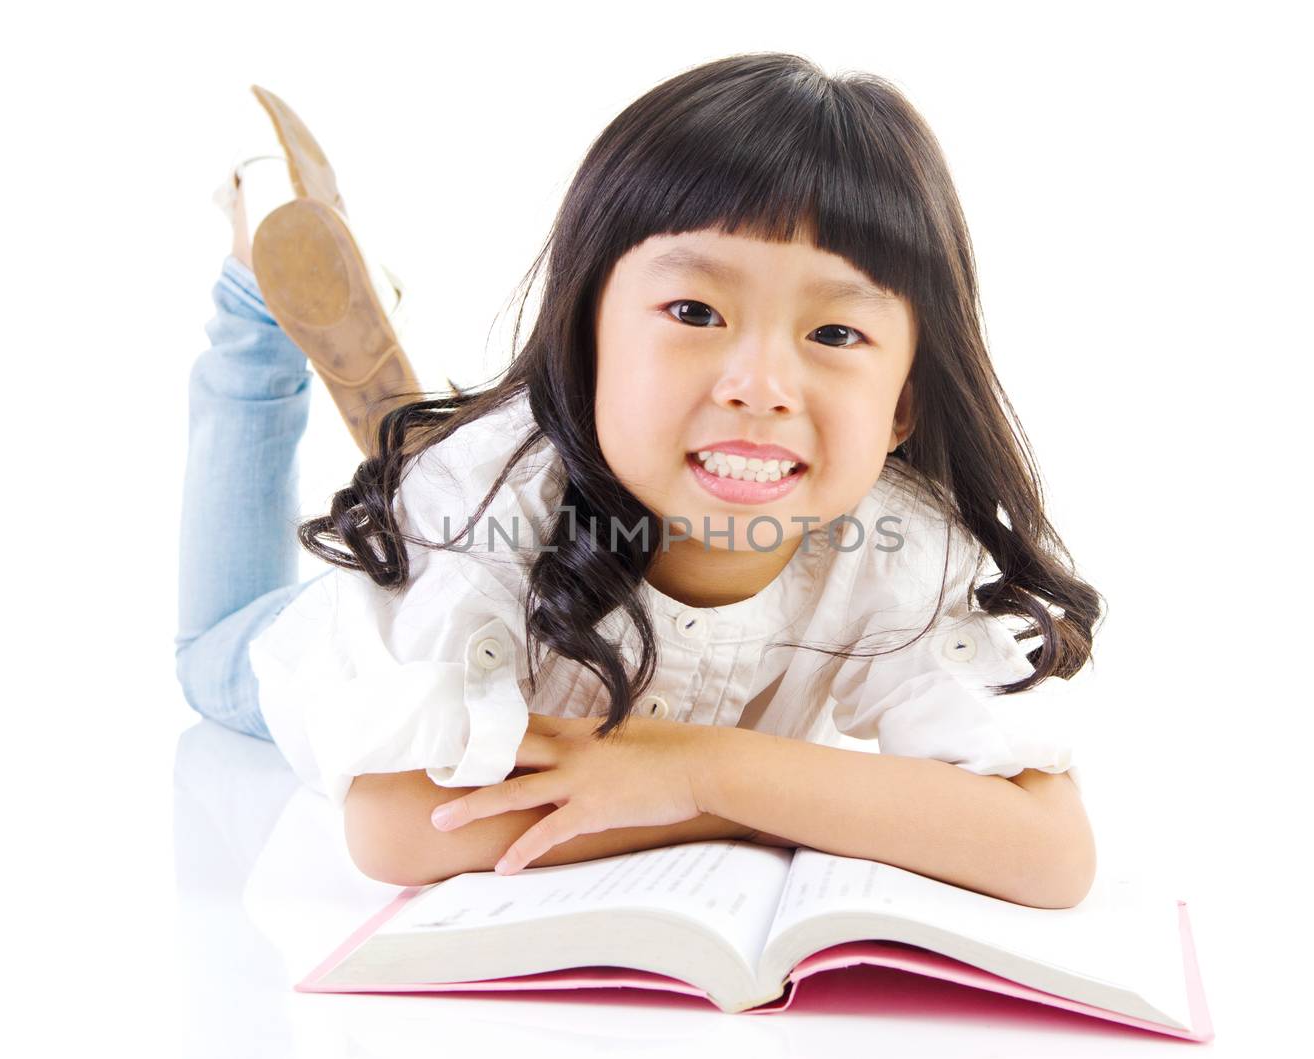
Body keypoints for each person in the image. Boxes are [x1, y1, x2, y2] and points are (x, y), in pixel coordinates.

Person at [176, 54, 1103, 908]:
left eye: (834, 334)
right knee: (213, 656)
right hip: (401, 617)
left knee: (444, 488)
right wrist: (787, 794)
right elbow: (395, 823)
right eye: (696, 310)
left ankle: (387, 399)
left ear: (904, 402)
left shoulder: (897, 547)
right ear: (585, 339)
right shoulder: (494, 512)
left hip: (490, 566)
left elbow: (1048, 852)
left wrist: (700, 775)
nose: (761, 388)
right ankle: (256, 297)